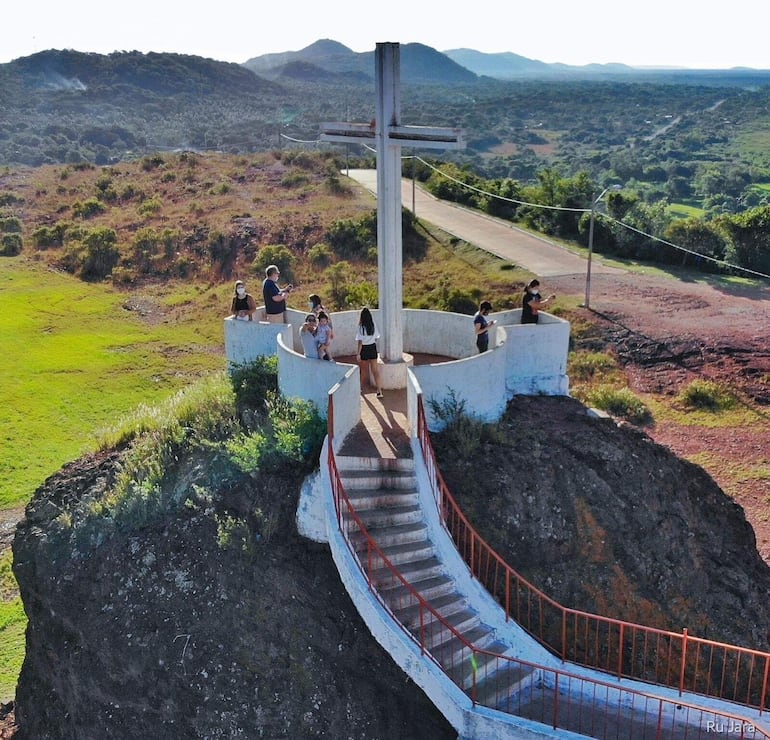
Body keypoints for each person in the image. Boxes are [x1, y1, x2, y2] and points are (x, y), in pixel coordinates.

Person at [355, 307, 383, 398]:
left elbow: (360, 341)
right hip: (372, 347)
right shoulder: (373, 324)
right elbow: (377, 336)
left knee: (364, 370)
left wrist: (358, 353)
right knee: (375, 371)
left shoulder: (360, 326)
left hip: (364, 349)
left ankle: (360, 388)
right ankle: (379, 391)